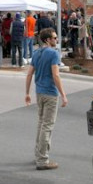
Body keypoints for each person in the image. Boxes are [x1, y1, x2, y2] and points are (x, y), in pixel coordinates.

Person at [24, 27, 68, 170]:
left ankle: (39, 154)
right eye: (54, 38)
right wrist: (63, 95)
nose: (56, 40)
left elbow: (30, 73)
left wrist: (27, 93)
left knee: (41, 123)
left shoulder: (37, 53)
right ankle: (42, 160)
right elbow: (56, 75)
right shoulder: (53, 53)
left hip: (39, 93)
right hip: (50, 93)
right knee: (47, 126)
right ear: (47, 40)